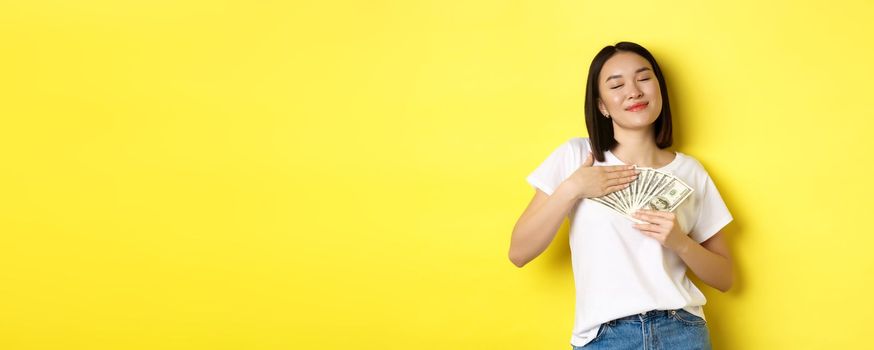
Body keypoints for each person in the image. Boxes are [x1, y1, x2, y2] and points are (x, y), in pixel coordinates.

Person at [508, 42, 734, 350]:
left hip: (682, 331)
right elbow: (519, 253)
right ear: (602, 105)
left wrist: (680, 242)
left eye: (644, 78)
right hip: (604, 337)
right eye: (617, 84)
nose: (634, 91)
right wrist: (573, 188)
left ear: (659, 90)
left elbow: (725, 277)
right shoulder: (576, 156)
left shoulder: (690, 171)